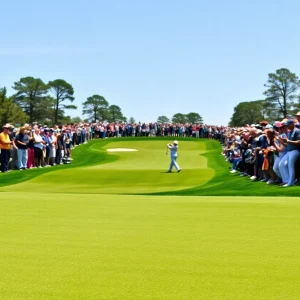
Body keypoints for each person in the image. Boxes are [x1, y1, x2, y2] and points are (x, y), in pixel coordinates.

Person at [279, 119, 300, 187]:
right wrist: (283, 142)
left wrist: (288, 141)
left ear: (292, 124)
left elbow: (298, 142)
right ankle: (287, 180)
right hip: (289, 151)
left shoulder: (297, 131)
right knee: (281, 164)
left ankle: (291, 182)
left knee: (290, 165)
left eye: (288, 125)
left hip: (296, 150)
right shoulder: (290, 132)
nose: (287, 126)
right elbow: (287, 144)